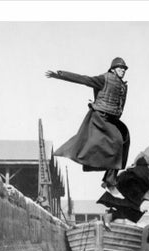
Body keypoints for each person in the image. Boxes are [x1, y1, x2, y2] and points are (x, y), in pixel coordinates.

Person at [45, 57, 130, 187]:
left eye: (124, 69)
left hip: (112, 118)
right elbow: (84, 79)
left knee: (125, 137)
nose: (123, 71)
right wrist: (60, 74)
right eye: (120, 68)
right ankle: (110, 181)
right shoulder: (104, 79)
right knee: (116, 142)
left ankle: (109, 177)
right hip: (100, 116)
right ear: (113, 69)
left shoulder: (122, 85)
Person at [96, 137, 149, 224]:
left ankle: (110, 216)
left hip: (129, 181)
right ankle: (111, 216)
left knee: (133, 208)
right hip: (133, 182)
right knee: (141, 207)